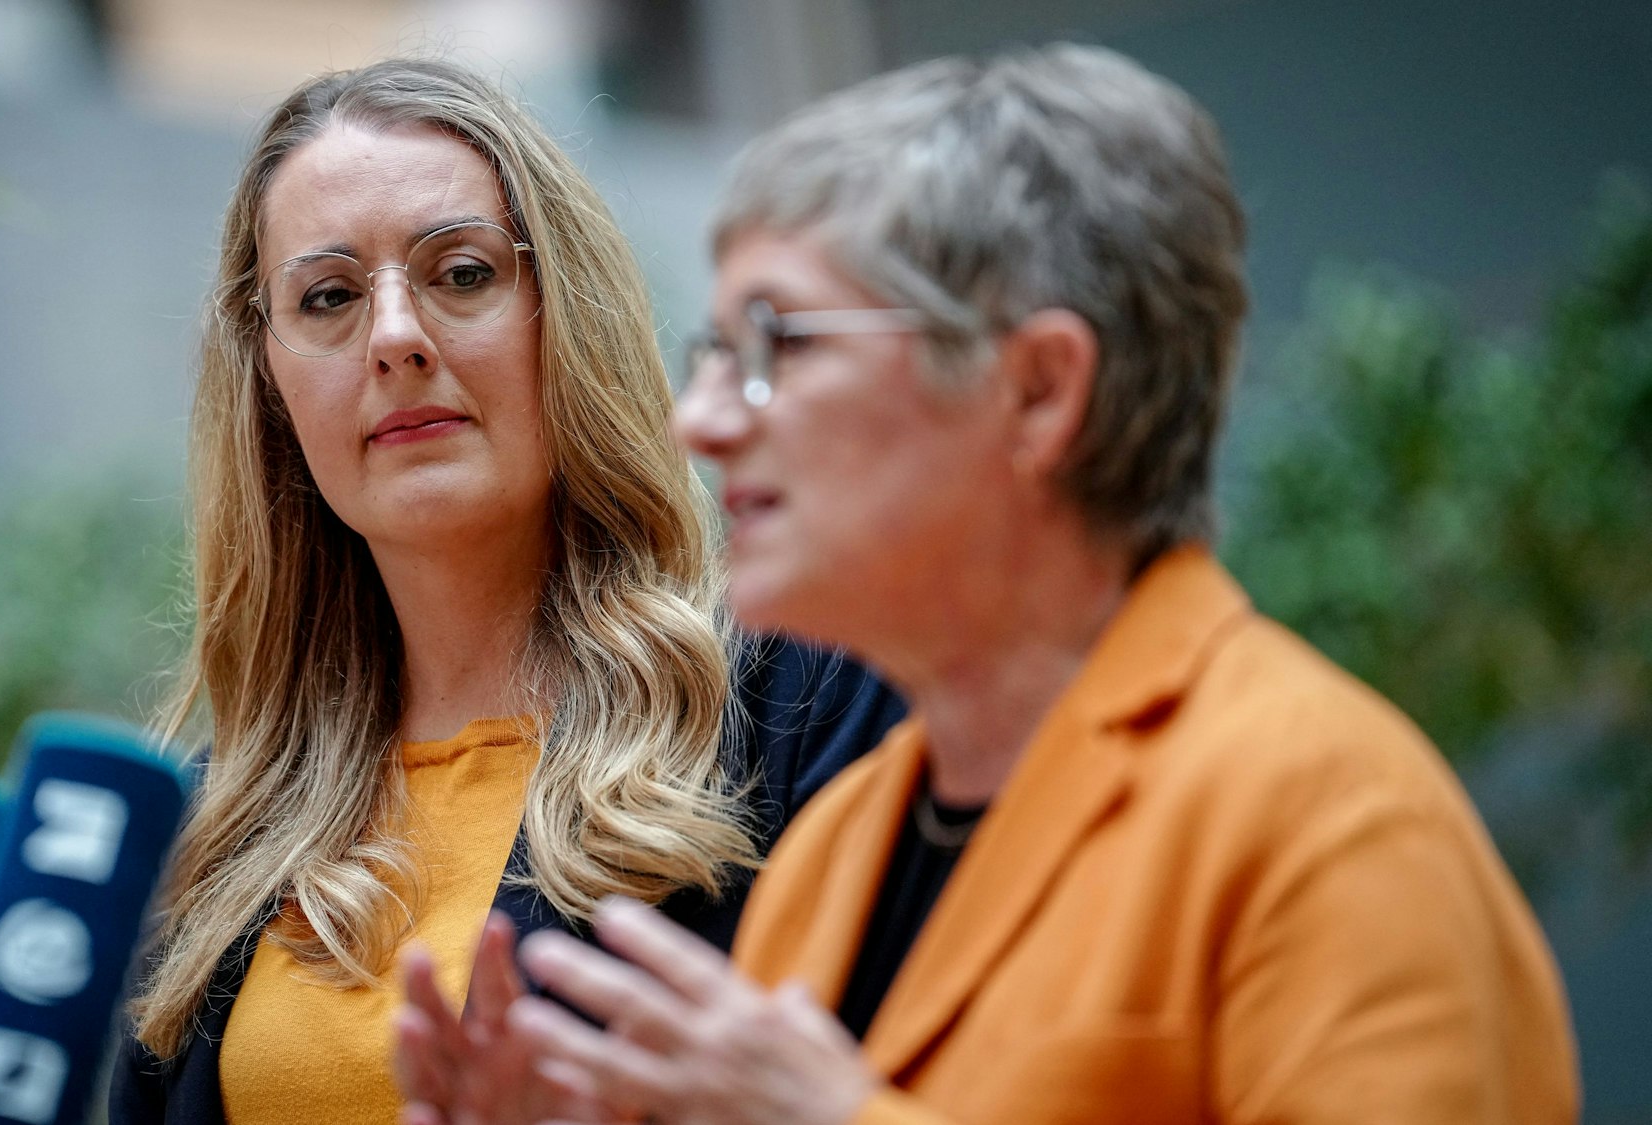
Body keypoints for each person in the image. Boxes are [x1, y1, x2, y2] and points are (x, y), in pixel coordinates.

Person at [408, 45, 1580, 1124]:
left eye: (779, 346)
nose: (700, 421)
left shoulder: (1328, 819)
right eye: (711, 354)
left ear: (1037, 391)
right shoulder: (835, 845)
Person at [107, 58, 905, 1125]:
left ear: (563, 313)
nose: (396, 336)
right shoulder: (209, 827)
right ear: (271, 382)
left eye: (462, 272)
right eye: (330, 297)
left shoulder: (800, 697)